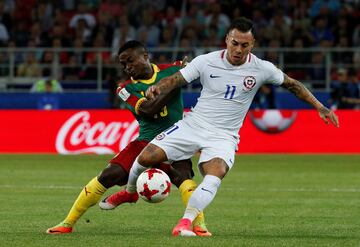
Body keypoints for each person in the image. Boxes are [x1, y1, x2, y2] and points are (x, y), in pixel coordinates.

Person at [107, 17, 340, 237]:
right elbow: (176, 79)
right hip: (194, 124)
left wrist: (320, 107)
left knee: (215, 174)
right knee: (146, 156)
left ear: (253, 44)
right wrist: (158, 87)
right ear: (227, 39)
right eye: (235, 43)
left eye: (245, 45)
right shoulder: (205, 61)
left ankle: (185, 222)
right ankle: (129, 192)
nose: (239, 50)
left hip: (224, 136)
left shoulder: (262, 68)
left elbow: (293, 85)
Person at [46, 40, 211, 236]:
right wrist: (175, 84)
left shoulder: (172, 69)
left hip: (177, 138)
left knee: (184, 178)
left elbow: (201, 71)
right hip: (145, 141)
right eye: (123, 64)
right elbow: (149, 110)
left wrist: (185, 71)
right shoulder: (125, 89)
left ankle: (199, 225)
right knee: (108, 175)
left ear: (145, 56)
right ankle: (67, 223)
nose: (127, 68)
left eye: (130, 61)